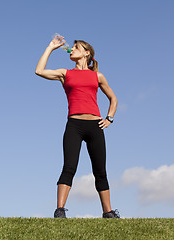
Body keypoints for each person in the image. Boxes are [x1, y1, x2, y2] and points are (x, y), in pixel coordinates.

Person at [35, 35, 120, 218]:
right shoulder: (65, 73)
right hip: (74, 125)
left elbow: (113, 99)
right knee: (69, 167)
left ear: (86, 53)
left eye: (76, 47)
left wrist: (109, 118)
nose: (71, 49)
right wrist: (51, 47)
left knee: (100, 170)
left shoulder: (98, 76)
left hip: (95, 126)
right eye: (71, 47)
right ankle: (60, 210)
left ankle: (108, 212)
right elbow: (39, 71)